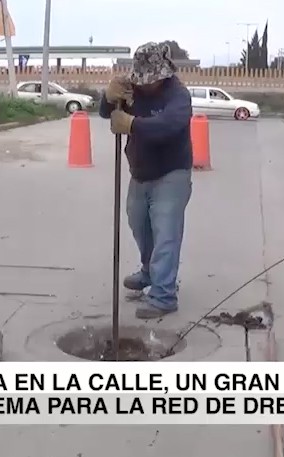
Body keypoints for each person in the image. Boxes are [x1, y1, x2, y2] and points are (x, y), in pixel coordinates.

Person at [98, 42, 193, 319]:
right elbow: (108, 112)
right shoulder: (133, 88)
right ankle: (149, 271)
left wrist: (131, 124)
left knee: (166, 233)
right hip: (139, 171)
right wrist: (108, 96)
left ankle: (164, 295)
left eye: (151, 80)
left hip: (171, 172)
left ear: (163, 75)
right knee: (140, 225)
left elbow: (168, 126)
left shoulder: (178, 95)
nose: (145, 85)